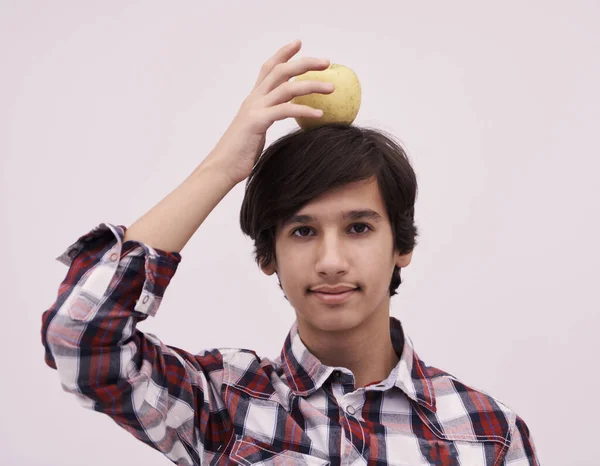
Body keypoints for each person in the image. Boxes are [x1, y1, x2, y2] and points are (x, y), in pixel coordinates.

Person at [41, 40, 540, 465]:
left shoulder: (488, 436)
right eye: (302, 232)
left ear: (402, 245)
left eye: (359, 227)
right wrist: (224, 166)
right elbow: (79, 337)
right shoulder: (223, 403)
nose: (330, 260)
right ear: (268, 256)